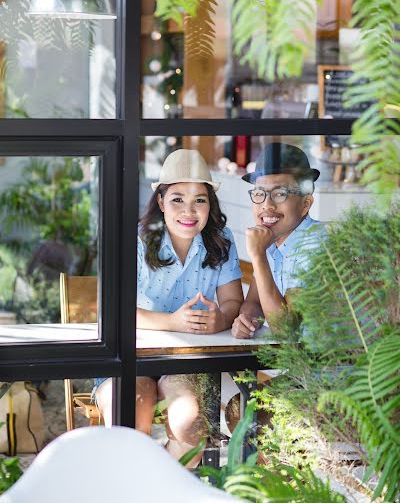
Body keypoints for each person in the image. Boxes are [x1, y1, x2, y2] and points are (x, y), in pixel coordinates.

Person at [96, 149, 243, 466]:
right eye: (177, 199)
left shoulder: (221, 239)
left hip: (186, 360)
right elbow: (114, 311)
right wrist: (173, 322)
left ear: (210, 205)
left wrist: (220, 319)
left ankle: (158, 487)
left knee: (191, 432)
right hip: (129, 355)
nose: (189, 210)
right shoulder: (135, 240)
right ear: (160, 201)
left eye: (199, 200)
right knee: (128, 429)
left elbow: (233, 302)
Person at [231, 142, 323, 338]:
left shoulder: (316, 245)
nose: (267, 205)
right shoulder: (272, 240)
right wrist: (247, 319)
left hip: (330, 366)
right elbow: (254, 302)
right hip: (293, 365)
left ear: (305, 204)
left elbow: (287, 331)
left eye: (280, 194)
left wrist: (257, 256)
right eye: (259, 194)